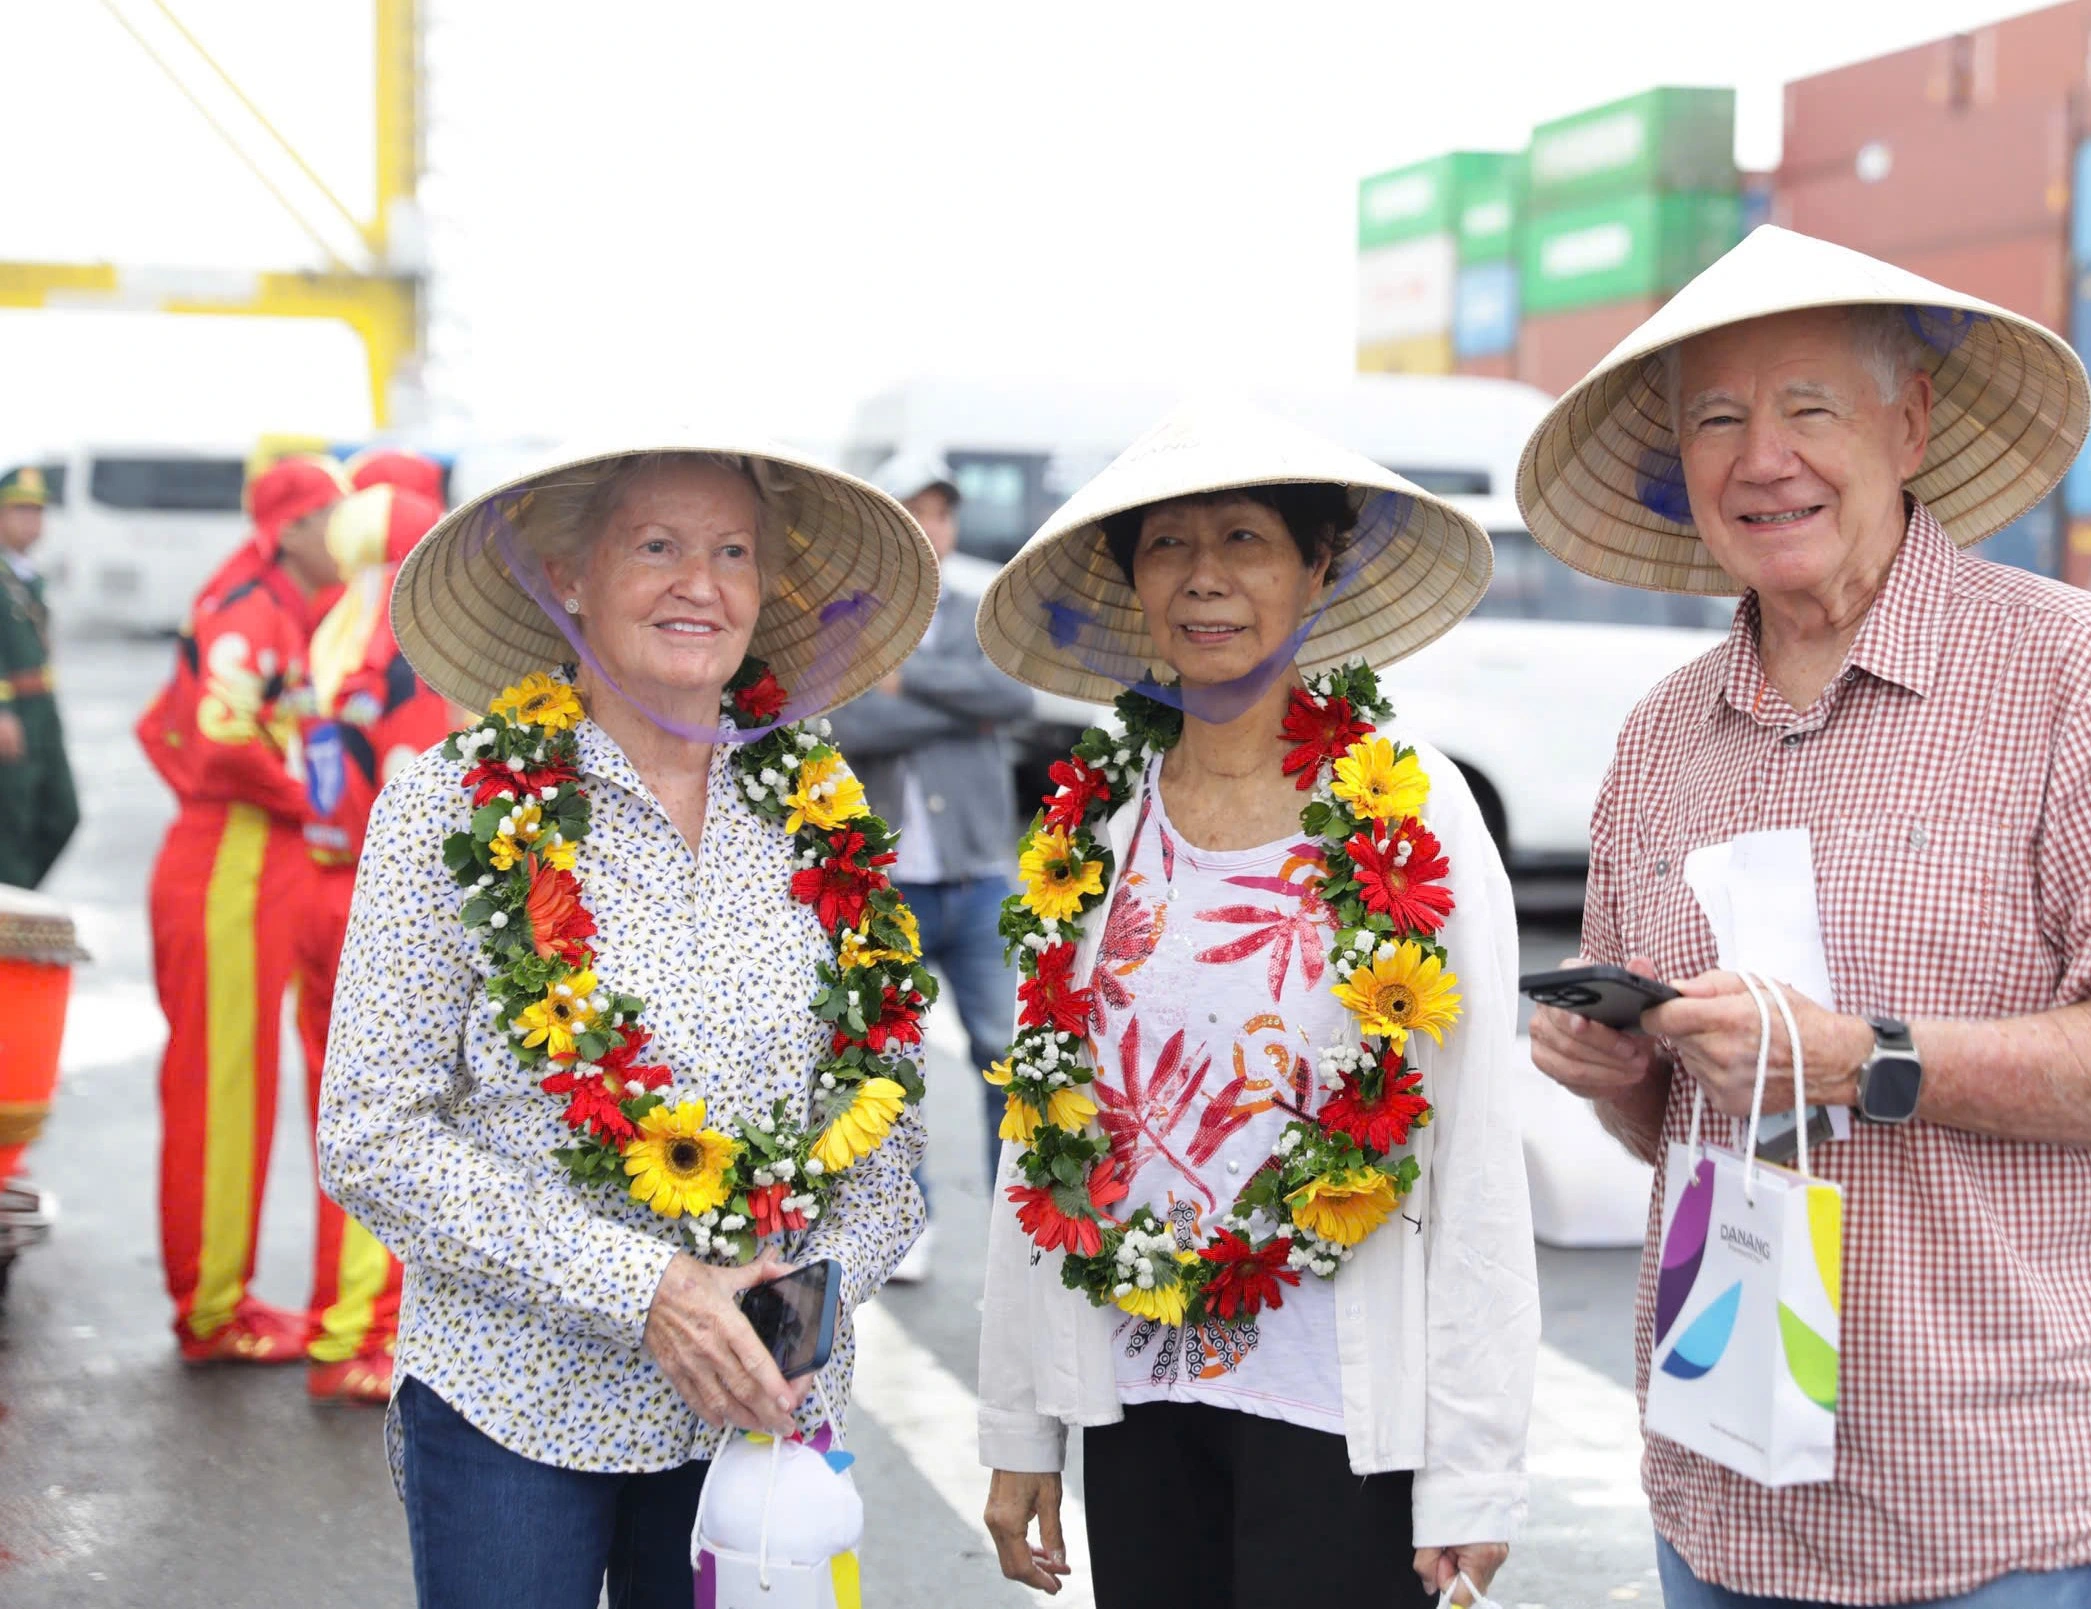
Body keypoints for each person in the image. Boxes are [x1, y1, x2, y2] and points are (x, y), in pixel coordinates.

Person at [1519, 226, 2091, 1608]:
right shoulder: (1662, 737)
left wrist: (1861, 1058)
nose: (1761, 456)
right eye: (1717, 419)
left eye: (1808, 406)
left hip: (1987, 1497)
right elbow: (1673, 1129)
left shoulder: (2071, 669)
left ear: (1908, 423)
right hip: (1722, 1484)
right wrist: (1626, 1078)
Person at [318, 443, 941, 1608]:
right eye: (655, 545)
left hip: (756, 1415)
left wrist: (789, 1316)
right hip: (511, 1405)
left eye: (731, 551)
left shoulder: (825, 820)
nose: (697, 582)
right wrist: (645, 1287)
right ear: (568, 578)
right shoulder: (448, 805)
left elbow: (889, 1143)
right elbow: (370, 1132)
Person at [973, 405, 1537, 1609]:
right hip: (1140, 1379)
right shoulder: (1097, 818)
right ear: (1133, 580)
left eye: (1245, 539)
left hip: (1335, 1400)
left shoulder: (1408, 806)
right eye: (1168, 546)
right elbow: (1042, 1130)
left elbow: (1474, 1142)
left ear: (1316, 566)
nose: (1206, 579)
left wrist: (1472, 1474)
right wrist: (1020, 1420)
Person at [137, 453, 351, 1361]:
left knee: (241, 1083)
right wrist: (324, 803)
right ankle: (212, 1309)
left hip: (257, 859)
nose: (347, 535)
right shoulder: (249, 608)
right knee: (223, 1090)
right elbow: (221, 740)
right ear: (292, 528)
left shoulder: (279, 603)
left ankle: (220, 1298)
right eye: (331, 516)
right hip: (230, 861)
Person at [826, 449, 1033, 1282]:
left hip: (978, 873)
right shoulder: (840, 621)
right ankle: (905, 1224)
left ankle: (1013, 1225)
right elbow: (842, 728)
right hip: (887, 885)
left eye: (942, 511)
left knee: (1006, 1052)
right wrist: (951, 712)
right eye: (915, 510)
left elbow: (1013, 699)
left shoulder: (983, 613)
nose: (933, 527)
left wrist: (903, 683)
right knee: (888, 1065)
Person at [291, 468, 454, 1405]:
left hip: (323, 884)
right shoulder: (399, 652)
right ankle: (357, 1330)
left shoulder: (332, 630)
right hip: (373, 906)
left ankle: (337, 1318)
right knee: (388, 1127)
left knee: (341, 1118)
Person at [0, 465, 77, 888]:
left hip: (41, 709)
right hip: (13, 714)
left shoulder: (26, 577)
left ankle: (18, 900)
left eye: (38, 510)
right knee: (12, 821)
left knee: (61, 813)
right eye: (20, 510)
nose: (33, 520)